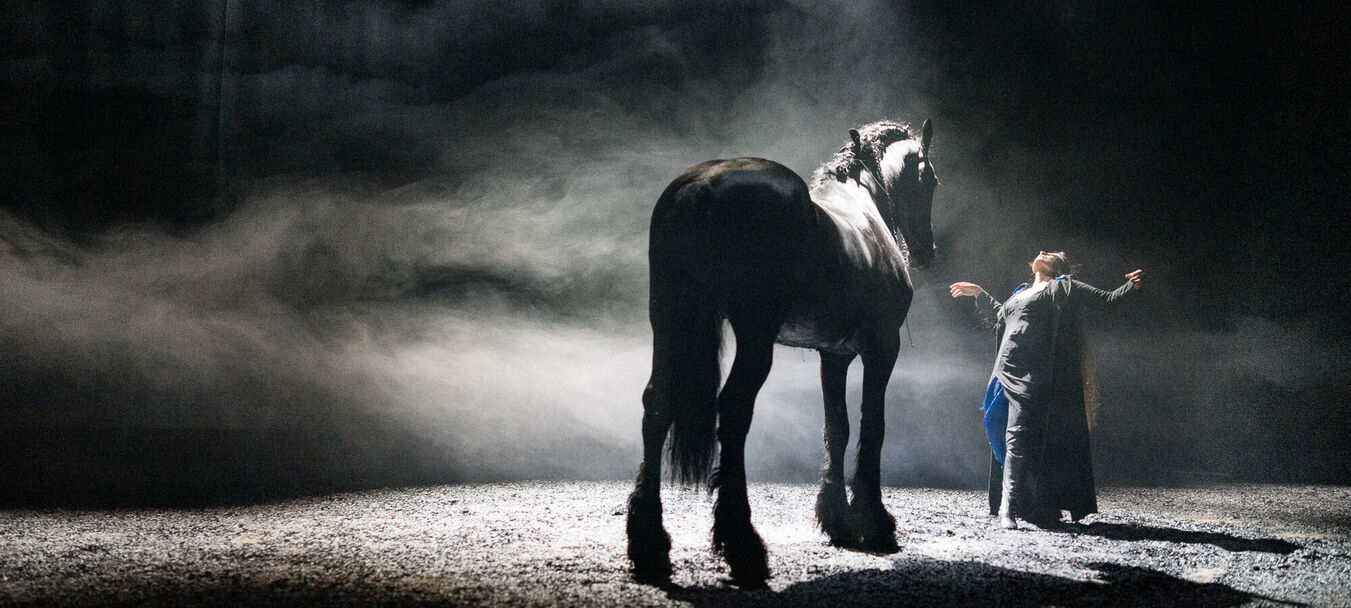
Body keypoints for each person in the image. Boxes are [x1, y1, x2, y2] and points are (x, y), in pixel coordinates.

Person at [950, 251, 1143, 529]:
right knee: (1004, 435)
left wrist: (1131, 287)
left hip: (1032, 373)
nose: (1043, 252)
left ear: (1057, 267)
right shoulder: (1020, 293)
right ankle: (1032, 504)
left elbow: (1107, 300)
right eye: (1042, 251)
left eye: (1051, 254)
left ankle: (1008, 508)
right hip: (1004, 371)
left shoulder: (1065, 287)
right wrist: (979, 292)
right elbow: (1001, 315)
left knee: (1017, 435)